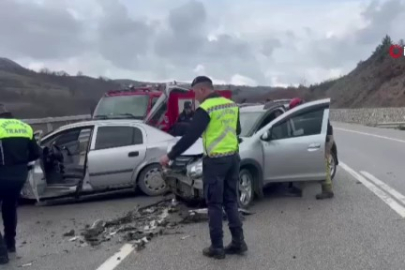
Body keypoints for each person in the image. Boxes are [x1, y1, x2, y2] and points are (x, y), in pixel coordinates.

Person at [160, 76, 247, 259]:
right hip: (233, 158)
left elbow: (191, 136)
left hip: (215, 162)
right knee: (231, 201)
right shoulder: (231, 105)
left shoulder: (206, 108)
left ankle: (217, 247)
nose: (194, 97)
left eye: (195, 92)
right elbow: (237, 131)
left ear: (202, 90)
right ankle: (239, 242)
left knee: (214, 204)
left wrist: (170, 156)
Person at [0, 105, 41, 265]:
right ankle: (10, 244)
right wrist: (21, 162)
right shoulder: (25, 127)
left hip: (1, 174)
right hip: (19, 176)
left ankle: (1, 253)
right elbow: (36, 153)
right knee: (9, 207)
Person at [288, 98, 334, 200]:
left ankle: (327, 191)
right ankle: (299, 186)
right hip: (322, 138)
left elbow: (320, 126)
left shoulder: (311, 111)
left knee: (323, 163)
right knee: (311, 161)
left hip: (325, 139)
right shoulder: (309, 110)